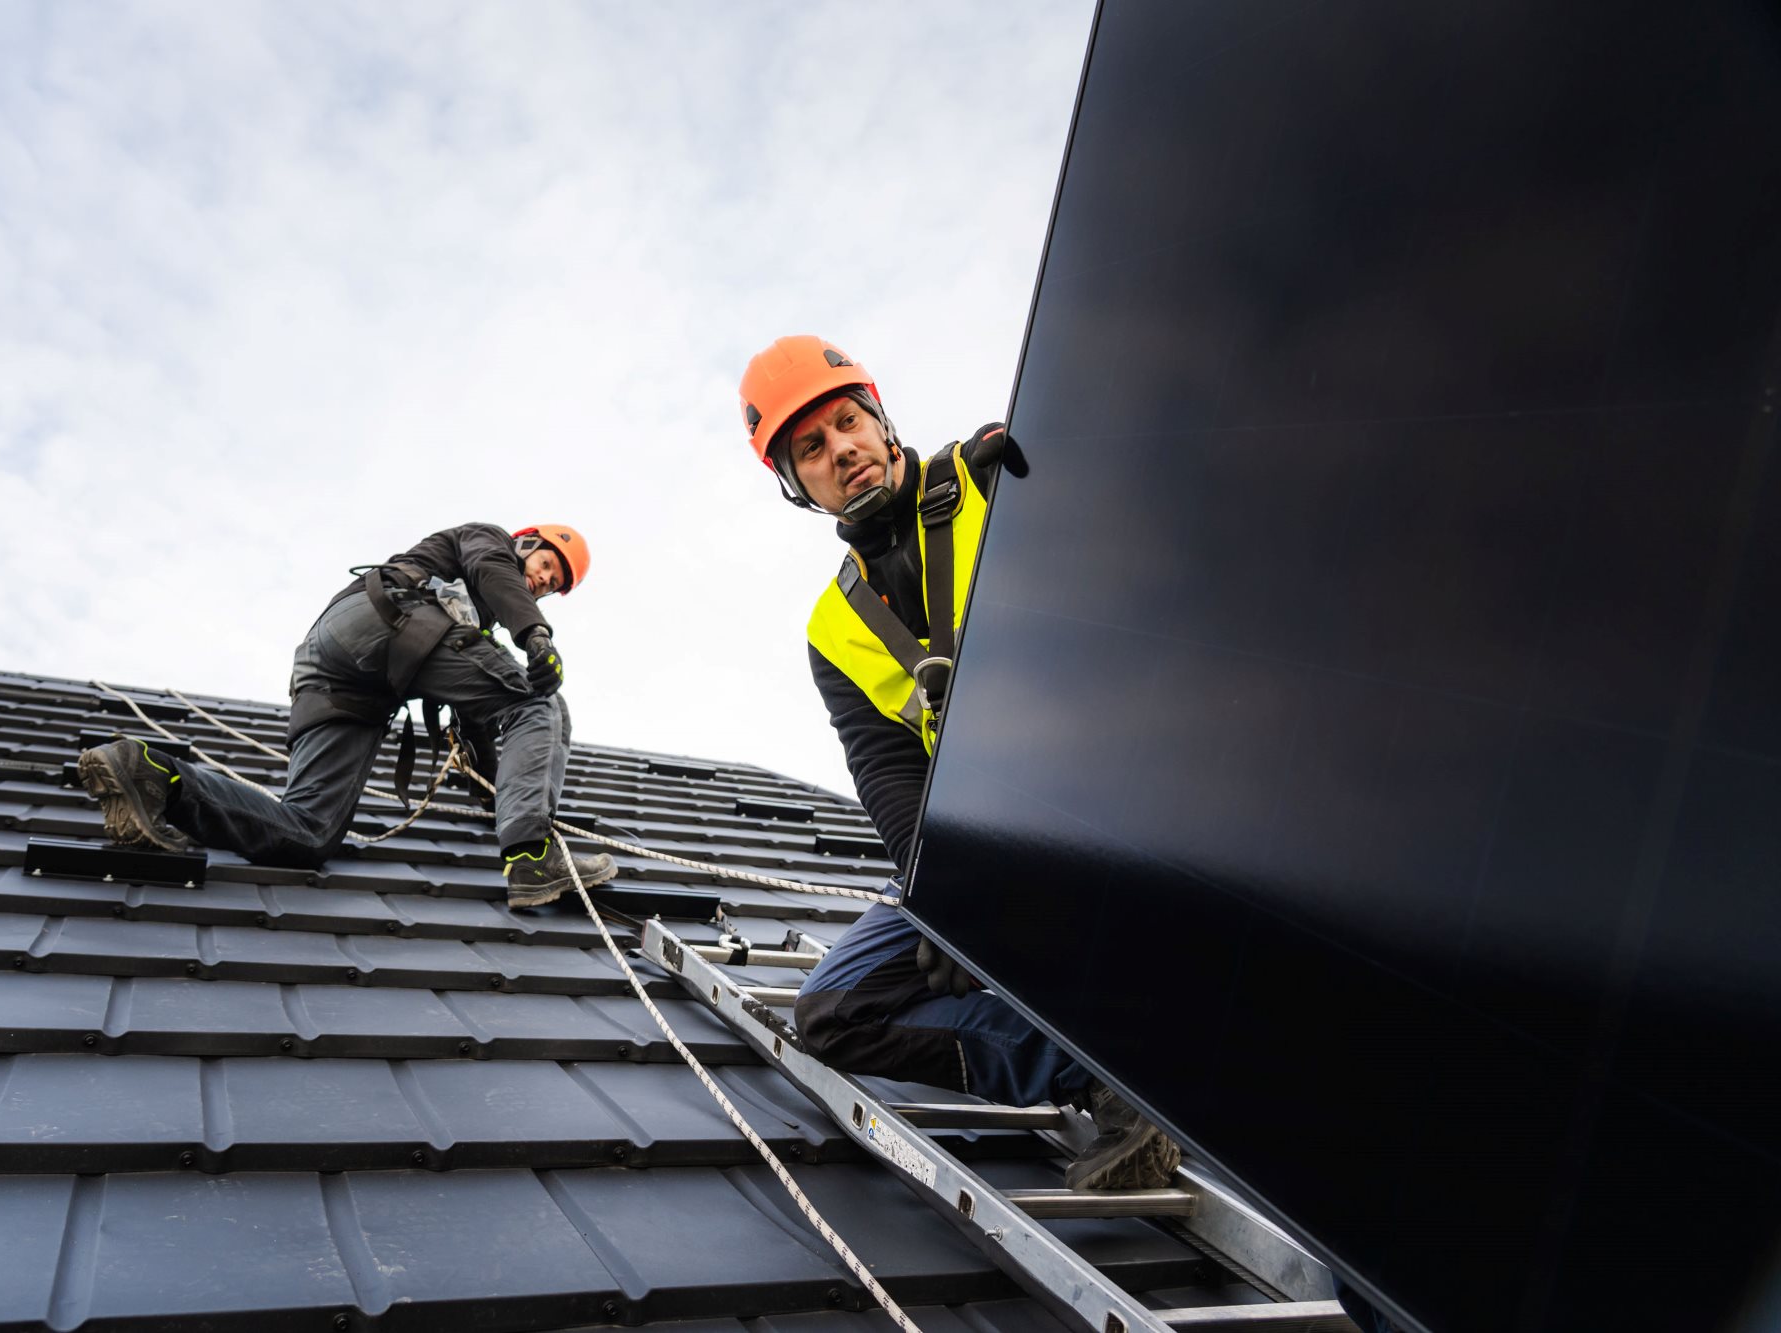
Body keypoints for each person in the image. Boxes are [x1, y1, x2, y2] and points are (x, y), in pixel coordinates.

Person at [737, 334, 1179, 1191]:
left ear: (881, 420)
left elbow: (1128, 534)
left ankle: (1154, 1038)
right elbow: (888, 773)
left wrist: (1049, 454)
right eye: (813, 450)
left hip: (1104, 795)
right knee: (833, 1009)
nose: (843, 451)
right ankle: (1106, 1080)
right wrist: (948, 905)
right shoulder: (834, 628)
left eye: (848, 422)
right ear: (797, 487)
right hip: (983, 846)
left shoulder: (988, 476)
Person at [78, 523, 616, 910]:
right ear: (526, 543)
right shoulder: (488, 541)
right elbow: (493, 574)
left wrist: (499, 795)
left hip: (335, 670)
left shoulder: (474, 632)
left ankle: (154, 777)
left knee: (308, 833)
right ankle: (531, 856)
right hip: (394, 619)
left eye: (556, 585)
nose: (545, 581)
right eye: (547, 565)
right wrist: (536, 635)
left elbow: (481, 728)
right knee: (540, 702)